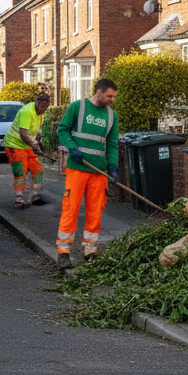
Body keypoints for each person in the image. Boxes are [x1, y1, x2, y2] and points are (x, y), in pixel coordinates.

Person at [54, 78, 120, 269]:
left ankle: (90, 250)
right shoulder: (78, 107)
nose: (112, 100)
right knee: (71, 208)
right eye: (110, 96)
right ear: (99, 92)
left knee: (95, 210)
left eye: (114, 97)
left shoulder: (111, 116)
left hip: (98, 172)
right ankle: (63, 252)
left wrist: (113, 168)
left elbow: (112, 144)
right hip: (78, 169)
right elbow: (62, 130)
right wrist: (72, 148)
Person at [2, 92, 51, 209]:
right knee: (20, 172)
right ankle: (19, 200)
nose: (43, 110)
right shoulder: (27, 112)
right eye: (42, 107)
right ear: (36, 102)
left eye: (46, 107)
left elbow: (37, 129)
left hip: (25, 146)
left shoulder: (40, 112)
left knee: (37, 169)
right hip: (14, 145)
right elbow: (23, 133)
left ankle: (36, 196)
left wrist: (39, 141)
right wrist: (34, 144)